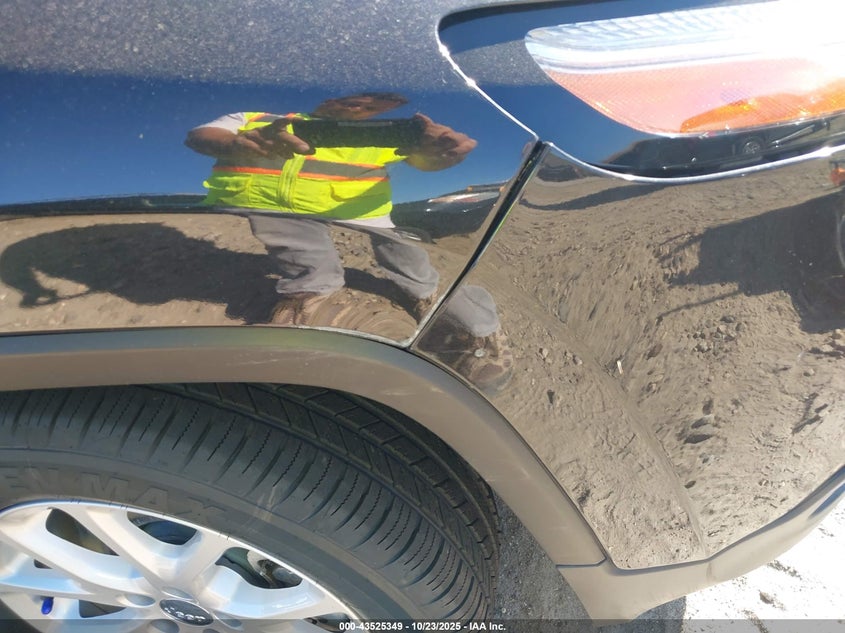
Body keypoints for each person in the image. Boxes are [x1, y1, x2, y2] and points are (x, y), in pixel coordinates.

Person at [186, 93, 511, 391]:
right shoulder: (259, 119)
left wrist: (442, 153)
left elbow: (424, 162)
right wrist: (236, 143)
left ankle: (468, 322)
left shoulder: (384, 137)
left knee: (413, 265)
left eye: (373, 105)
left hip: (364, 215)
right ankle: (310, 297)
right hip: (275, 210)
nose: (359, 105)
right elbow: (201, 135)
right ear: (326, 97)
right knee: (295, 243)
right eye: (352, 98)